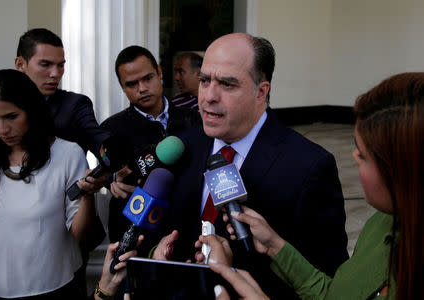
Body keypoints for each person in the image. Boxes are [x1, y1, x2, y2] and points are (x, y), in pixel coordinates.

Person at [152, 33, 348, 299]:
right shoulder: (184, 146)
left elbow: (324, 277)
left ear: (261, 91)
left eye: (227, 84)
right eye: (204, 81)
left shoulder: (309, 166)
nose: (209, 96)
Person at [207, 72, 424, 300]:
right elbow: (336, 294)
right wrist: (274, 246)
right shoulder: (381, 223)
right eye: (205, 81)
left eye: (364, 155)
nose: (354, 156)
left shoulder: (312, 164)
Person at [0, 69, 97, 299]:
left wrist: (88, 195)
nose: (2, 129)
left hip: (53, 289)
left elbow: (81, 233)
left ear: (31, 111)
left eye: (11, 116)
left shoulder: (66, 154)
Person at [100, 45, 201, 293]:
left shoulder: (195, 119)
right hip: (140, 238)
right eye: (132, 84)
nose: (142, 89)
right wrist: (112, 180)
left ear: (159, 72)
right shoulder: (111, 130)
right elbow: (104, 174)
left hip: (188, 233)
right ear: (122, 87)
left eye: (147, 78)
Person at [14, 28, 111, 159]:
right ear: (20, 64)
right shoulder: (3, 105)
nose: (55, 74)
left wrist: (115, 157)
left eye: (60, 65)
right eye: (45, 64)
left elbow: (97, 140)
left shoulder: (75, 105)